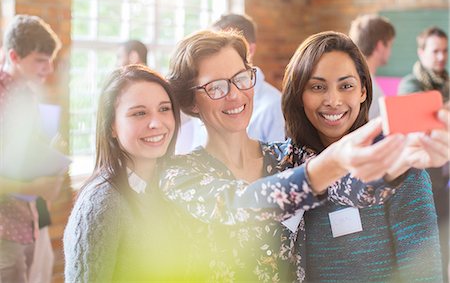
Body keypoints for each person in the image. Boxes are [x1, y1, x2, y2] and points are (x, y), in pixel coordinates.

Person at [161, 29, 430, 282]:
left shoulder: (287, 158)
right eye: (216, 87)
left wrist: (399, 162)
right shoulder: (178, 175)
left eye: (241, 79)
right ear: (190, 101)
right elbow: (240, 204)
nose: (235, 95)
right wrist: (332, 162)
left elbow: (352, 187)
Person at [280, 31, 447, 282]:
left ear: (363, 92)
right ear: (299, 94)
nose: (333, 100)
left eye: (346, 86)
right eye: (317, 87)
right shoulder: (284, 167)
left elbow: (423, 273)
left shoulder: (400, 170)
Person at [63, 65, 191, 282]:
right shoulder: (102, 204)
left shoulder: (171, 186)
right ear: (111, 126)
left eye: (164, 109)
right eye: (139, 113)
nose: (156, 123)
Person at [0, 14, 64, 283]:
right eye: (40, 60)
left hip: (25, 222)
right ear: (14, 57)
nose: (48, 69)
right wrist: (38, 187)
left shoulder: (26, 95)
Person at [398, 26, 450, 281]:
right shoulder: (411, 84)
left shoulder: (446, 82)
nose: (441, 57)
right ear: (421, 52)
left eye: (445, 51)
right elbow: (419, 120)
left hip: (445, 180)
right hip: (423, 180)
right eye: (435, 51)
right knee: (430, 249)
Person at [212, 13, 285, 142]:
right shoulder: (209, 97)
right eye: (214, 49)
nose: (219, 57)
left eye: (229, 48)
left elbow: (280, 160)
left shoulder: (274, 105)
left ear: (250, 50)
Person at [349, 14, 395, 119]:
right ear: (380, 46)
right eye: (390, 45)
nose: (390, 52)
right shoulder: (371, 89)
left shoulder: (351, 78)